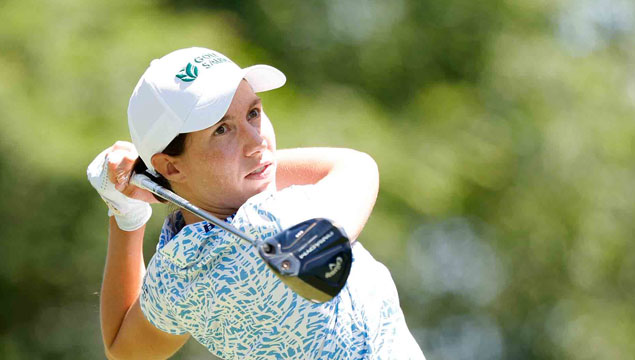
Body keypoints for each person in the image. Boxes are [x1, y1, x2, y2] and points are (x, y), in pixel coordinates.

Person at [87, 47, 425, 359]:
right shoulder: (275, 220)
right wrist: (325, 240)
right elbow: (356, 166)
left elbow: (124, 349)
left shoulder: (175, 276)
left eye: (253, 112)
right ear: (172, 165)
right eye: (222, 130)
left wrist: (125, 211)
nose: (257, 139)